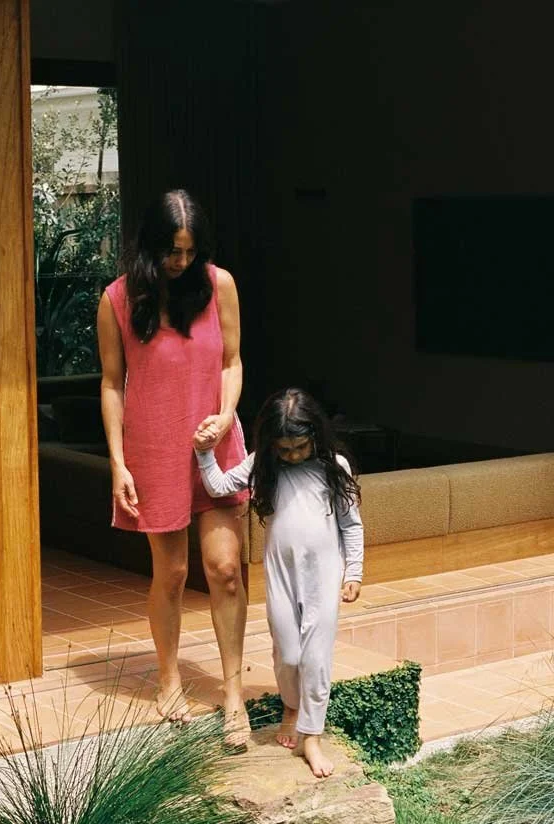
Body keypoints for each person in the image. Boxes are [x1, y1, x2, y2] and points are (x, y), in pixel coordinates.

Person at [96, 189, 251, 747]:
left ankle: (233, 691)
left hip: (214, 447)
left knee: (226, 568)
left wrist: (226, 413)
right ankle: (169, 682)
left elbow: (232, 362)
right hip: (155, 452)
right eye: (170, 251)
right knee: (173, 574)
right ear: (150, 246)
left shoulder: (219, 285)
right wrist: (118, 464)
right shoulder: (117, 299)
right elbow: (112, 385)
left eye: (188, 251)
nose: (180, 262)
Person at [193, 388, 364, 777]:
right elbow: (219, 487)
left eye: (300, 447)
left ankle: (312, 737)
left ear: (315, 436)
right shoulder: (263, 465)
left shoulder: (333, 465)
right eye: (284, 448)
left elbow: (350, 524)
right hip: (281, 574)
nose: (291, 456)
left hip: (323, 575)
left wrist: (354, 570)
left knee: (315, 659)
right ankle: (291, 705)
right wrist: (205, 452)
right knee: (288, 654)